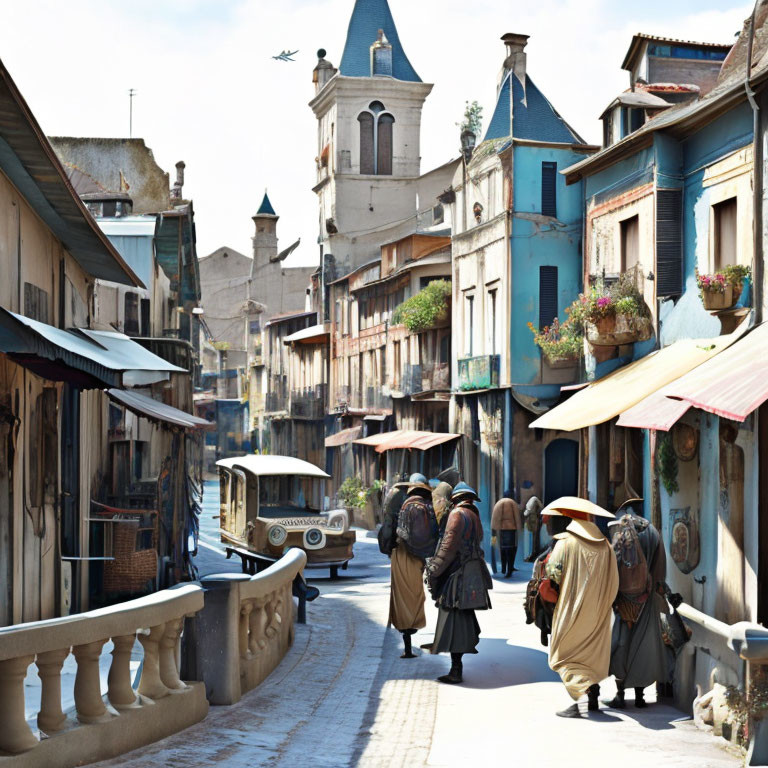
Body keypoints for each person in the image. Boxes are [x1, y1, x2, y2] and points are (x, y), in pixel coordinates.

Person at [543, 496, 619, 718]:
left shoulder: (565, 543)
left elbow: (553, 574)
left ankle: (581, 700)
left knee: (565, 655)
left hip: (571, 607)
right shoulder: (605, 545)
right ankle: (592, 695)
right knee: (591, 654)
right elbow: (614, 579)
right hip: (598, 609)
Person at [605, 499, 670, 710]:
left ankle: (620, 694)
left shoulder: (621, 530)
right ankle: (640, 696)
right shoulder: (652, 533)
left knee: (621, 645)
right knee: (643, 646)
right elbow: (659, 570)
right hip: (647, 599)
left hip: (623, 600)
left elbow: (613, 566)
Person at [426, 482, 492, 684]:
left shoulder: (457, 515)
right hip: (470, 570)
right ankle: (457, 665)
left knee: (453, 619)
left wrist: (433, 570)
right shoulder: (474, 515)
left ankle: (456, 670)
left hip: (458, 574)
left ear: (455, 498)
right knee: (461, 618)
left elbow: (448, 547)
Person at [388, 473, 438, 659]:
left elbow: (393, 531)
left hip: (401, 555)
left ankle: (406, 643)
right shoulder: (427, 507)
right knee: (416, 596)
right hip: (418, 557)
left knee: (402, 598)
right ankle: (412, 630)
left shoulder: (402, 505)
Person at [491, 491, 523, 577]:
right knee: (511, 550)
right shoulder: (512, 503)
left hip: (502, 529)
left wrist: (494, 528)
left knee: (503, 549)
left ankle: (503, 568)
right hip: (511, 529)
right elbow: (517, 516)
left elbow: (495, 516)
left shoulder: (499, 503)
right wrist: (519, 527)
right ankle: (509, 569)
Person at [523, 496, 544, 562]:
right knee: (533, 539)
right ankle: (532, 555)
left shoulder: (533, 500)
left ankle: (532, 555)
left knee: (533, 539)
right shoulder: (534, 500)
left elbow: (527, 512)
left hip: (532, 519)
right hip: (533, 519)